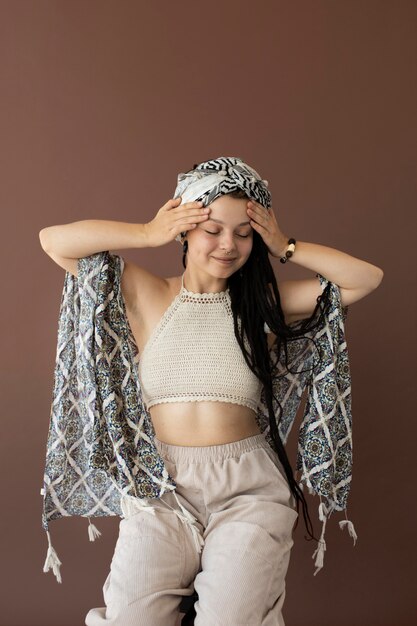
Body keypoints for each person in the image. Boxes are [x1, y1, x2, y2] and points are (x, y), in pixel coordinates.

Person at [39, 156, 383, 625]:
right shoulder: (148, 293)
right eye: (212, 229)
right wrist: (146, 231)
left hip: (248, 490)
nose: (229, 245)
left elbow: (365, 279)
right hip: (161, 490)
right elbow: (54, 242)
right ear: (185, 229)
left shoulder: (263, 306)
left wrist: (286, 245)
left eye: (244, 233)